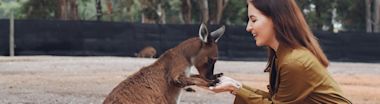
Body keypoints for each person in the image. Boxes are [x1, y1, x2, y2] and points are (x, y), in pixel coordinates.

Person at [206, 0, 352, 103]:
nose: (248, 27)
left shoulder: (294, 62)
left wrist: (236, 89)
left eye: (253, 20)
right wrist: (236, 86)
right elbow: (275, 99)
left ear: (276, 20)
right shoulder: (283, 55)